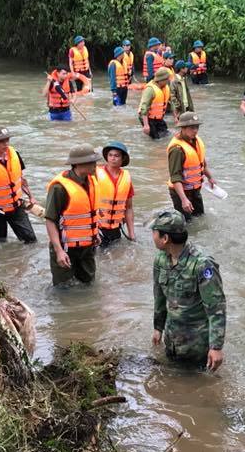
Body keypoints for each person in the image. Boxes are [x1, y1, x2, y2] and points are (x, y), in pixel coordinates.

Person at [151, 209, 226, 371]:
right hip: (171, 340)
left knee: (201, 385)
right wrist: (158, 328)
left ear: (165, 238)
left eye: (154, 232)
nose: (152, 236)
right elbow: (159, 297)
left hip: (197, 346)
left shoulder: (202, 264)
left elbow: (216, 307)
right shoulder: (160, 260)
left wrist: (216, 347)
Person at [45, 144, 99, 285]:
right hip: (65, 247)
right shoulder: (59, 188)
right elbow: (50, 220)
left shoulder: (92, 181)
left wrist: (95, 233)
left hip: (87, 247)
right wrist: (59, 251)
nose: (96, 166)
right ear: (79, 164)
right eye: (92, 162)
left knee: (89, 285)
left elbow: (89, 214)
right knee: (63, 289)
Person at [167, 111, 217, 221]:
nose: (195, 130)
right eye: (191, 128)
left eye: (197, 127)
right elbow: (175, 177)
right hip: (181, 193)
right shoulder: (177, 149)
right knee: (186, 223)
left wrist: (210, 177)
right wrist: (184, 200)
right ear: (183, 128)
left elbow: (201, 162)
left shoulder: (196, 140)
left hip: (195, 190)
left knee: (200, 218)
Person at [95, 141, 136, 246]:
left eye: (117, 156)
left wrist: (131, 233)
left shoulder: (126, 178)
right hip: (97, 228)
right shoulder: (95, 174)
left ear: (122, 158)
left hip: (116, 229)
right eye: (110, 155)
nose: (113, 158)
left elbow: (129, 208)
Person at [138, 66, 172, 139]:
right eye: (167, 80)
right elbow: (144, 107)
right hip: (147, 117)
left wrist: (176, 117)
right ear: (161, 80)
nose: (168, 81)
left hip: (158, 118)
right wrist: (146, 125)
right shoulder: (150, 89)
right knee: (156, 138)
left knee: (166, 134)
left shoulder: (164, 87)